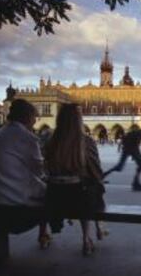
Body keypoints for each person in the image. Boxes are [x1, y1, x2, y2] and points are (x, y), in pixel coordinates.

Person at [0, 99, 50, 247]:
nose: (34, 121)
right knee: (53, 195)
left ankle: (44, 235)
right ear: (27, 117)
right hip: (16, 210)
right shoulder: (27, 138)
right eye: (34, 117)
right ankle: (43, 234)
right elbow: (40, 172)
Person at [44, 103, 106, 256]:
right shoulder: (86, 142)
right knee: (91, 188)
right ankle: (86, 238)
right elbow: (96, 171)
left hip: (54, 198)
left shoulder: (50, 142)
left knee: (75, 188)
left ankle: (43, 233)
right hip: (79, 200)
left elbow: (45, 170)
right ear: (79, 120)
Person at [103, 121, 141, 191]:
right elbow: (135, 145)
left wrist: (138, 155)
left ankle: (136, 182)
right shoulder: (139, 133)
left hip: (129, 149)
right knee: (119, 167)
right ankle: (135, 183)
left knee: (139, 165)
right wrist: (138, 155)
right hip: (128, 149)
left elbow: (135, 145)